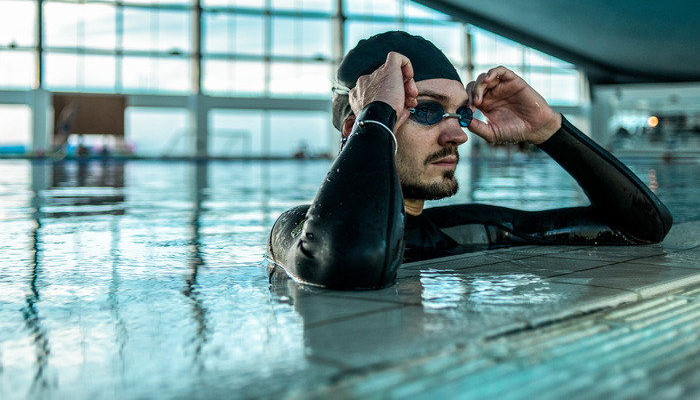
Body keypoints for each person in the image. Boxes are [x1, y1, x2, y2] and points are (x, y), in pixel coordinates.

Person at [267, 31, 673, 291]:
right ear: (359, 124)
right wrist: (377, 117)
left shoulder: (461, 232)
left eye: (461, 114)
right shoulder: (295, 231)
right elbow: (352, 260)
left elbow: (640, 227)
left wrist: (551, 130)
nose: (459, 134)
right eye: (425, 110)